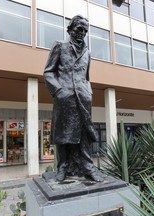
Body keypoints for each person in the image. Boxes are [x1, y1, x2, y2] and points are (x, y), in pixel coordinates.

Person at [43, 15, 104, 182]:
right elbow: (48, 72)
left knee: (84, 133)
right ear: (70, 29)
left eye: (85, 31)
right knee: (64, 133)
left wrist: (88, 92)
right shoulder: (60, 46)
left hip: (83, 98)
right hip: (65, 97)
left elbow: (86, 77)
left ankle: (87, 167)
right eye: (79, 29)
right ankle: (63, 167)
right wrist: (59, 91)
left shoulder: (87, 52)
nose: (82, 33)